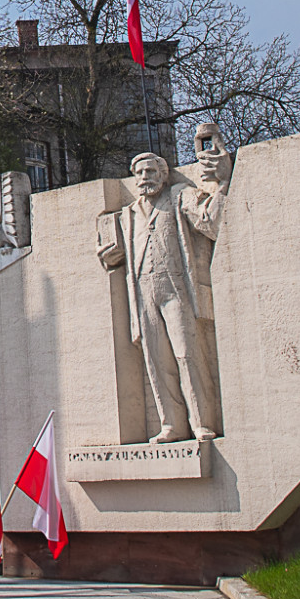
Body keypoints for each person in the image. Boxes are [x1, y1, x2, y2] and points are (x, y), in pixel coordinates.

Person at [97, 128, 226, 442]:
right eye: (139, 172)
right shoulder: (128, 213)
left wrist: (221, 183)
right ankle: (171, 424)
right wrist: (105, 252)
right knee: (157, 361)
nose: (145, 177)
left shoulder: (178, 194)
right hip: (142, 291)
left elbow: (208, 222)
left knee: (187, 355)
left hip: (175, 287)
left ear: (164, 174)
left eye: (151, 171)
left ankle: (200, 422)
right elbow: (111, 256)